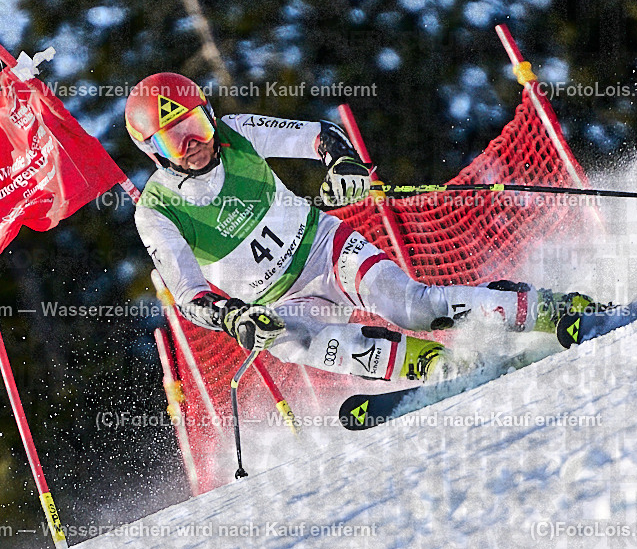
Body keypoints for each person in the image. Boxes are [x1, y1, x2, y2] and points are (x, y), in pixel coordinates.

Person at [127, 73, 600, 383]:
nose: (191, 145)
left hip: (326, 251)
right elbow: (188, 294)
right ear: (154, 152)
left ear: (209, 116)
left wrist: (342, 164)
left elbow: (320, 136)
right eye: (172, 140)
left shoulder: (238, 131)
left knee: (411, 305)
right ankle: (432, 365)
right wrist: (233, 316)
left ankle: (551, 308)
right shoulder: (156, 211)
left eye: (195, 127)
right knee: (295, 342)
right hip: (275, 302)